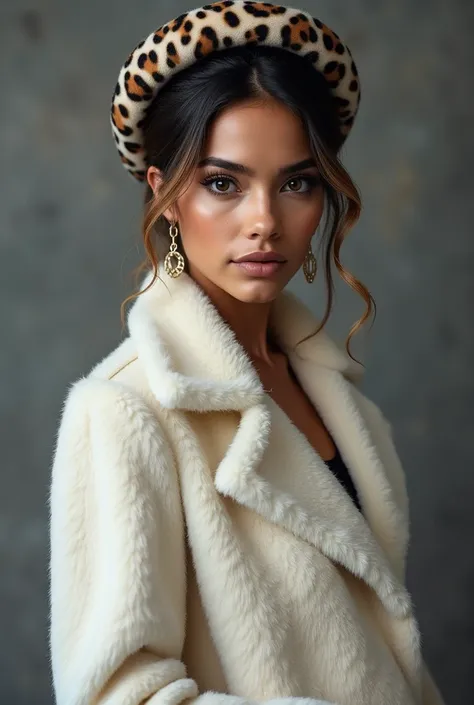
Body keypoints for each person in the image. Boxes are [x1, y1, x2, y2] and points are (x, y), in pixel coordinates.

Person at [48, 3, 446, 705]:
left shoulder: (340, 397)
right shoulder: (123, 410)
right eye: (222, 183)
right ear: (164, 195)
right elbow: (118, 693)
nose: (264, 220)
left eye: (296, 182)